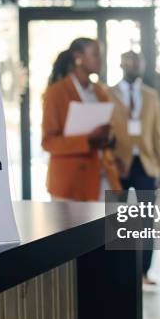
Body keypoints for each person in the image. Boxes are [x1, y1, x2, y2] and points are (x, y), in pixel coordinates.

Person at [109, 51, 160, 288]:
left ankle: (144, 271)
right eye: (129, 62)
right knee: (118, 219)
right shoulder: (108, 94)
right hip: (119, 165)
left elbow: (159, 135)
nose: (134, 66)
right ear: (121, 65)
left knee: (146, 221)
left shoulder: (151, 96)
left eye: (138, 62)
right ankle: (119, 269)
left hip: (147, 165)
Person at [42, 38, 121, 201]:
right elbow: (48, 142)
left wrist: (108, 138)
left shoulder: (100, 91)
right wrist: (88, 139)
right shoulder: (56, 93)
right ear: (78, 57)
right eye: (95, 55)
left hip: (102, 177)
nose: (100, 60)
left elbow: (110, 129)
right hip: (70, 183)